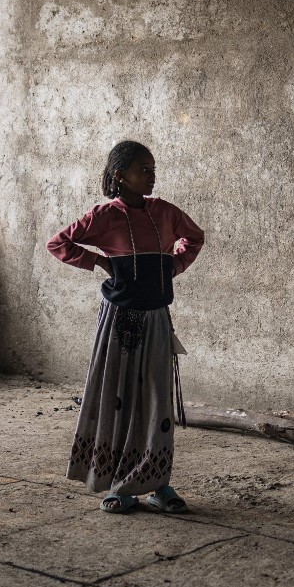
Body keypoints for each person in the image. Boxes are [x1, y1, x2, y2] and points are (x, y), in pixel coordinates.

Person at [46, 140, 205, 514]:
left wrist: (174, 266)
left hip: (156, 319)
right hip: (118, 320)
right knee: (119, 398)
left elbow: (195, 238)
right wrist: (100, 263)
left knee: (155, 399)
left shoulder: (165, 212)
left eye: (153, 169)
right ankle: (120, 485)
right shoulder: (103, 217)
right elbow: (59, 243)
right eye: (143, 170)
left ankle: (157, 483)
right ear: (121, 176)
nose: (152, 176)